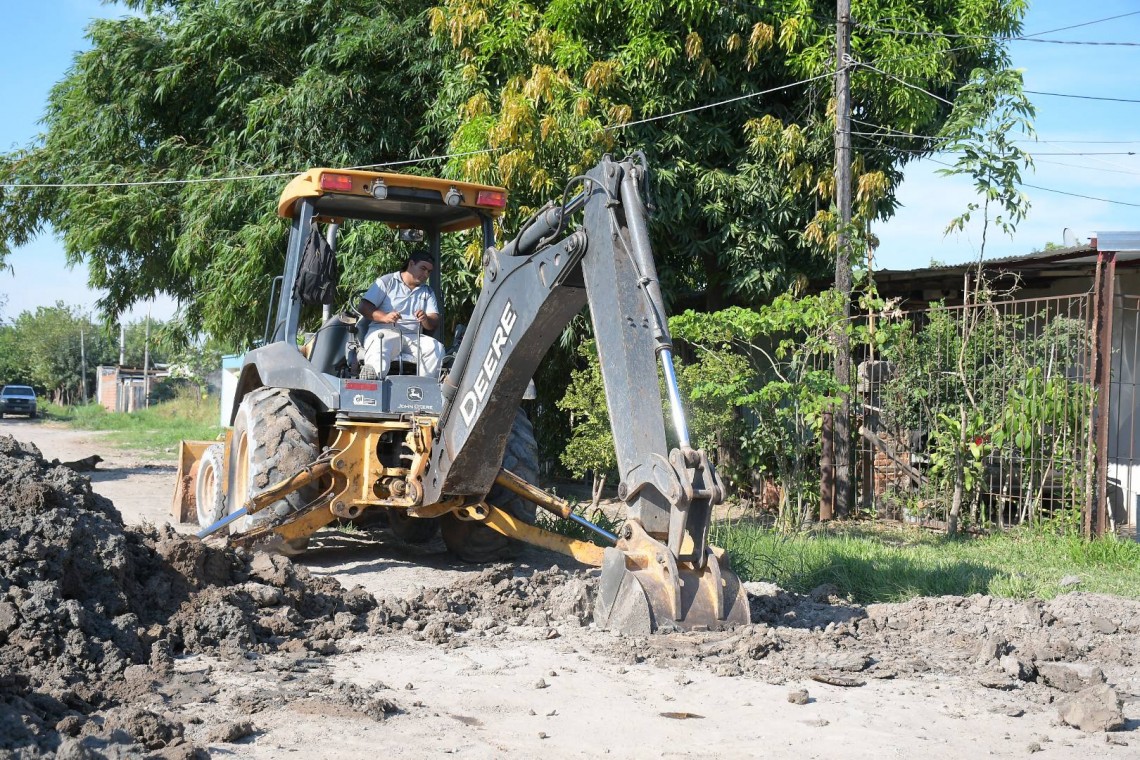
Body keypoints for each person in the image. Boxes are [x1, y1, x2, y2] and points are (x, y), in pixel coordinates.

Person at [357, 250, 444, 379]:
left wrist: (425, 318)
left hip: (414, 336)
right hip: (385, 331)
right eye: (423, 268)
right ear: (411, 264)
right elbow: (364, 307)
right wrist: (385, 317)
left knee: (436, 347)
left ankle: (426, 387)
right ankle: (373, 380)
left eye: (429, 272)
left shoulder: (427, 291)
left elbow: (434, 320)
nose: (426, 274)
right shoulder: (387, 281)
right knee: (380, 344)